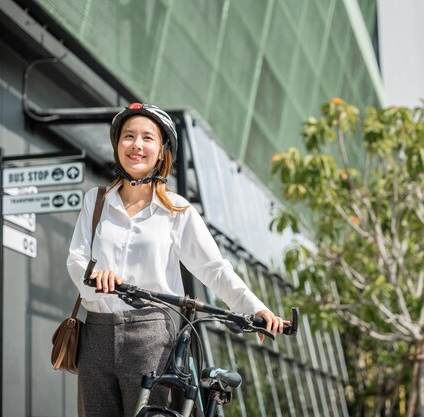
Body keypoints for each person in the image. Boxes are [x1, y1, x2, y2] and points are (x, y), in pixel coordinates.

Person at [66, 102, 285, 417]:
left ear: (161, 152)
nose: (136, 145)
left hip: (150, 336)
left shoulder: (176, 211)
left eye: (147, 138)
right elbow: (76, 257)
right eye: (128, 136)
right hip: (95, 335)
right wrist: (96, 271)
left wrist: (256, 308)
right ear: (117, 145)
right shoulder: (96, 201)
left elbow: (214, 269)